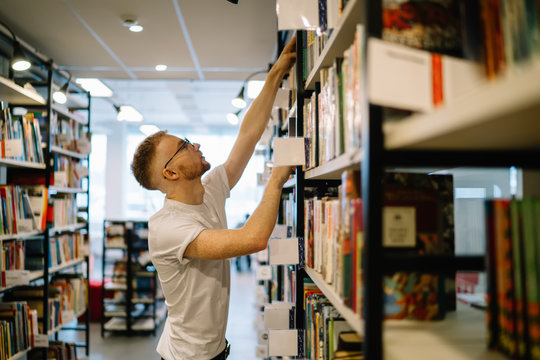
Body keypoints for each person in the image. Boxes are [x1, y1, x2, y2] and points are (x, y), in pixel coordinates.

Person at [130, 36, 296, 360]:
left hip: (215, 350)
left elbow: (247, 135)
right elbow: (254, 239)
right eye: (184, 145)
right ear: (171, 173)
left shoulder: (210, 191)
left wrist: (276, 73)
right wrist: (276, 178)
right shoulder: (167, 228)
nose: (195, 145)